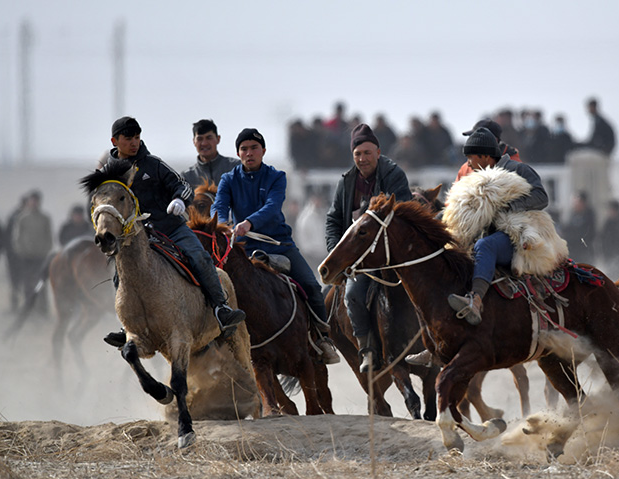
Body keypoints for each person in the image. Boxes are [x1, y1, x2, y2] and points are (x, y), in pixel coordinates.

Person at [102, 116, 246, 347]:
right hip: (136, 237)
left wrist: (179, 199)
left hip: (171, 228)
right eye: (128, 139)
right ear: (114, 141)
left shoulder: (153, 164)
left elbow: (183, 185)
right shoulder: (108, 174)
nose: (134, 143)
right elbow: (100, 203)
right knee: (119, 275)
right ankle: (128, 326)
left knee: (199, 257)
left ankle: (221, 309)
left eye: (137, 137)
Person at [211, 128, 340, 365]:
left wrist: (249, 222)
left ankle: (323, 338)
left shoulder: (276, 176)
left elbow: (272, 206)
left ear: (263, 150)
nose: (249, 153)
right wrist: (221, 224)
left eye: (254, 148)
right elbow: (219, 206)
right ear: (238, 153)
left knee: (312, 286)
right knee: (214, 289)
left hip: (280, 245)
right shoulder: (228, 180)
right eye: (244, 149)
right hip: (244, 250)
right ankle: (215, 342)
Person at [325, 123, 412, 372]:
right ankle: (366, 349)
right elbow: (333, 220)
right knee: (349, 295)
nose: (362, 158)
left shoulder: (394, 174)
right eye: (357, 154)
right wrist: (336, 251)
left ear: (378, 152)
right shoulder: (346, 182)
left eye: (367, 153)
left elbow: (402, 212)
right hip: (356, 257)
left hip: (390, 254)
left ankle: (433, 341)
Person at [447, 127, 549, 325]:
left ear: (485, 156)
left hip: (516, 237)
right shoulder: (474, 179)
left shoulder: (518, 170)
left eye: (471, 158)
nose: (468, 163)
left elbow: (541, 197)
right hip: (486, 236)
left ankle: (475, 300)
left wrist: (507, 206)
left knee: (485, 246)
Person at [11, 190, 53, 311]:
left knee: (41, 283)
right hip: (26, 257)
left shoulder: (45, 218)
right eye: (32, 201)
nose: (34, 203)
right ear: (28, 202)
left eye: (36, 201)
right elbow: (17, 237)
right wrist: (21, 251)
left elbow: (49, 236)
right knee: (27, 284)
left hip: (41, 256)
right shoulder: (22, 218)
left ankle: (43, 310)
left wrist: (46, 250)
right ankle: (29, 309)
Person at [179, 119, 241, 188]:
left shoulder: (236, 168)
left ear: (218, 139)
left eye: (209, 138)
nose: (204, 143)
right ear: (194, 142)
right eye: (200, 139)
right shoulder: (187, 178)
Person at [455, 119, 521, 182]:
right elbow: (455, 189)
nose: (471, 140)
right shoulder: (466, 168)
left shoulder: (515, 168)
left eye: (477, 138)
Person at [562, 190, 597, 264]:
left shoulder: (589, 216)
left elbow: (589, 234)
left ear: (583, 203)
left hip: (584, 252)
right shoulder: (573, 215)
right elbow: (567, 229)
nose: (575, 205)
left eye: (578, 202)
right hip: (573, 251)